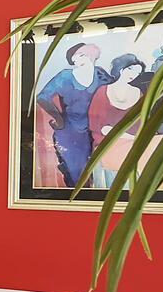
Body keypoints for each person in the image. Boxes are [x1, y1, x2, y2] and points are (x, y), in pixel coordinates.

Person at [36, 42, 112, 188]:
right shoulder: (65, 76)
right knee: (77, 179)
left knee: (100, 175)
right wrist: (58, 118)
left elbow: (115, 90)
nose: (77, 60)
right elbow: (42, 97)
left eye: (81, 55)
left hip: (97, 131)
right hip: (71, 133)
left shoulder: (101, 74)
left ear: (92, 55)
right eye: (74, 58)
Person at [87, 53, 145, 188]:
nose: (133, 74)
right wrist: (113, 133)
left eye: (137, 73)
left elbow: (143, 124)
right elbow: (96, 125)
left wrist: (126, 136)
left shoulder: (139, 93)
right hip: (106, 144)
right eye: (131, 69)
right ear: (121, 68)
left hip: (131, 143)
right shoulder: (102, 91)